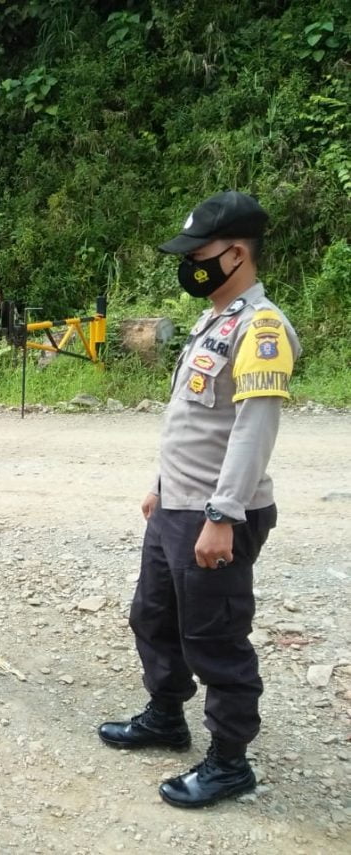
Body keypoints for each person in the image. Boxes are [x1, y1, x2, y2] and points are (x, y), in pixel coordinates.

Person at [98, 191, 301, 808]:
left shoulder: (262, 328)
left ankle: (230, 761)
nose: (189, 264)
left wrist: (222, 515)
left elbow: (252, 431)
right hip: (178, 509)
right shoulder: (213, 320)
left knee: (214, 636)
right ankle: (166, 716)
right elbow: (191, 421)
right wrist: (162, 488)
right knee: (154, 615)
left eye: (199, 254)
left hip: (218, 515)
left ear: (236, 253)